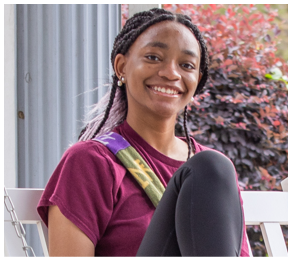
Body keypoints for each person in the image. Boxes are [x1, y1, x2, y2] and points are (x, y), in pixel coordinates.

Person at [37, 8, 250, 256]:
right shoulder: (91, 162)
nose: (171, 73)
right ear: (122, 66)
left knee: (213, 166)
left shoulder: (212, 177)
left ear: (197, 80)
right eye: (153, 57)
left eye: (186, 65)